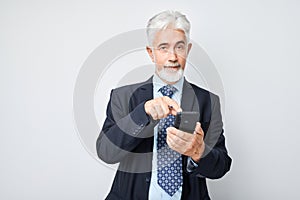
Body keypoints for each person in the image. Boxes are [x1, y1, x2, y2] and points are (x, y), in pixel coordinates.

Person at [96, 10, 232, 200]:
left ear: (188, 49)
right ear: (151, 53)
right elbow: (106, 152)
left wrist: (199, 152)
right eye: (163, 48)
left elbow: (222, 166)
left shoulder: (208, 101)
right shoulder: (123, 96)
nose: (173, 57)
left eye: (180, 47)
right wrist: (141, 115)